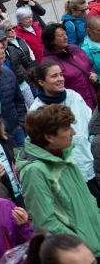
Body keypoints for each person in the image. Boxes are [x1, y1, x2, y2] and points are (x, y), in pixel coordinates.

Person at [17, 105, 100, 257]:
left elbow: (85, 201)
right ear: (49, 137)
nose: (73, 132)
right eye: (67, 128)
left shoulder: (64, 153)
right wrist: (82, 244)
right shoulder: (34, 171)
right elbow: (45, 223)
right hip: (82, 253)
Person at [27, 63, 98, 202]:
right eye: (54, 76)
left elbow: (91, 124)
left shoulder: (74, 96)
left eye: (61, 74)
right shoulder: (36, 112)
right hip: (68, 175)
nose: (60, 79)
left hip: (91, 165)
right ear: (41, 82)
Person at [41, 22, 98, 109]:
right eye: (61, 35)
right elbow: (52, 88)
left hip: (94, 97)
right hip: (75, 105)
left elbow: (89, 65)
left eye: (65, 34)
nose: (66, 37)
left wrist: (92, 73)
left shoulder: (75, 49)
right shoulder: (49, 63)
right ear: (51, 41)